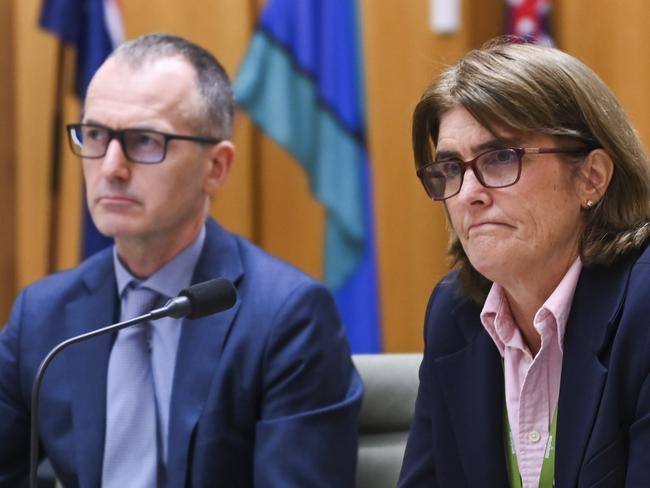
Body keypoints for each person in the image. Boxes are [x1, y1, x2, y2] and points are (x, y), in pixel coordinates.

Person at [0, 33, 362, 487]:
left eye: (145, 141)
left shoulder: (287, 318)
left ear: (216, 167)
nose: (111, 166)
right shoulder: (42, 317)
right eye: (95, 135)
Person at [398, 39, 650, 487]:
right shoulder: (454, 314)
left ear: (591, 176)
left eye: (500, 158)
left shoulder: (643, 311)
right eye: (451, 169)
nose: (469, 193)